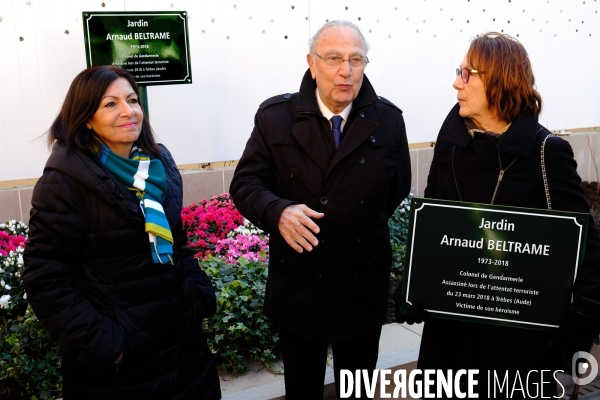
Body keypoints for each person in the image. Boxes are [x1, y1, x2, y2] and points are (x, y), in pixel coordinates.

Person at [398, 32, 600, 397]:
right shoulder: (451, 144)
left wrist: (585, 314)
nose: (455, 82)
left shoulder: (546, 152)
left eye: (465, 73)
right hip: (449, 338)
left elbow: (585, 245)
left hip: (516, 347)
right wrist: (415, 284)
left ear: (498, 79)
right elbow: (434, 226)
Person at [229, 20, 411, 399]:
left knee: (356, 390)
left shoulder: (389, 120)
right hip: (299, 283)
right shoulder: (274, 116)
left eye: (356, 59)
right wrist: (277, 212)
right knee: (302, 389)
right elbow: (245, 185)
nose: (345, 71)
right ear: (312, 64)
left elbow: (397, 189)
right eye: (333, 59)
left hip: (361, 282)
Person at [23, 66, 221, 399]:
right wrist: (105, 344)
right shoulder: (64, 181)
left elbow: (177, 242)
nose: (128, 111)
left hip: (185, 353)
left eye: (132, 100)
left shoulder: (158, 165)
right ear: (86, 118)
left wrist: (198, 295)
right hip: (120, 372)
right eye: (110, 104)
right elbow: (45, 279)